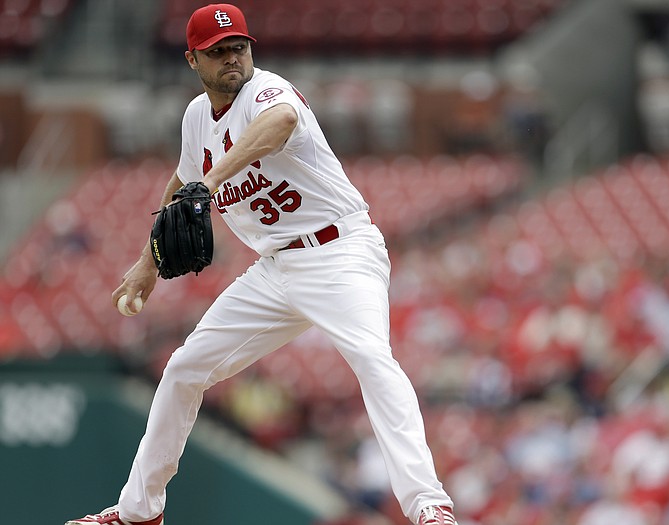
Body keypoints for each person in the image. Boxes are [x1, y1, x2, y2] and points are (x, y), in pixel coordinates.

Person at [65, 4, 458, 525]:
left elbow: (279, 124)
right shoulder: (195, 117)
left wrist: (210, 181)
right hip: (275, 270)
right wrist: (147, 264)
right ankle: (139, 512)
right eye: (218, 51)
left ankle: (428, 505)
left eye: (239, 47)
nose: (232, 58)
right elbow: (182, 185)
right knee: (184, 369)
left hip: (340, 251)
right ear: (192, 60)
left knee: (370, 356)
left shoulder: (266, 92)